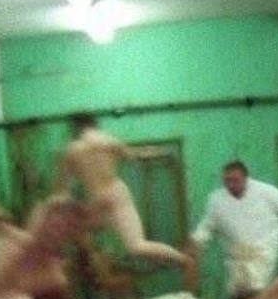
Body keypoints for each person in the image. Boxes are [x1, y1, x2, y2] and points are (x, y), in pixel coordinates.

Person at [54, 117, 197, 287]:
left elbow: (62, 189)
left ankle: (98, 272)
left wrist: (61, 208)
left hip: (98, 199)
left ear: (76, 129)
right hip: (117, 193)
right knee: (138, 245)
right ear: (94, 126)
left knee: (77, 230)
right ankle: (184, 260)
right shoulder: (108, 140)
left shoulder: (72, 150)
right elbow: (131, 157)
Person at [186, 160, 278, 299]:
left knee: (257, 296)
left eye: (235, 180)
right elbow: (207, 225)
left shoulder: (266, 192)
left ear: (246, 179)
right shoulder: (216, 199)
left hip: (263, 254)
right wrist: (198, 242)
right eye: (227, 181)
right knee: (237, 297)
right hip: (235, 257)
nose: (231, 185)